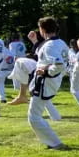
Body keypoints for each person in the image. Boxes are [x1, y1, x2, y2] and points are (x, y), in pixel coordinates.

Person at [28, 16, 70, 150]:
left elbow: (59, 64)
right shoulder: (60, 43)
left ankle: (55, 143)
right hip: (51, 81)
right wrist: (34, 41)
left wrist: (46, 72)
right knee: (36, 114)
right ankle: (52, 142)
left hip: (45, 82)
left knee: (33, 117)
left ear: (42, 29)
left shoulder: (50, 45)